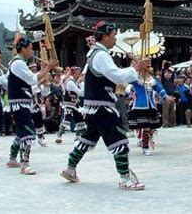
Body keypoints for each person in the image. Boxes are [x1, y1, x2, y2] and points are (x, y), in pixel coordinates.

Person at [60, 22, 149, 190]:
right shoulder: (101, 55)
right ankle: (125, 179)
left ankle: (70, 169)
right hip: (102, 106)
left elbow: (113, 74)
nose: (115, 38)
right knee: (119, 140)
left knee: (87, 139)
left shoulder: (96, 54)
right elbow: (116, 76)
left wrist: (133, 69)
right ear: (105, 36)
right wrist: (134, 68)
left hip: (94, 106)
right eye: (114, 35)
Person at [6, 37, 57, 175]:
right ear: (22, 48)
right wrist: (47, 68)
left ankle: (12, 158)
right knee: (28, 131)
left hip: (23, 102)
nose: (31, 51)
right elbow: (32, 79)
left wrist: (44, 75)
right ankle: (25, 164)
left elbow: (32, 82)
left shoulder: (19, 63)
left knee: (21, 131)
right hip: (19, 103)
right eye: (29, 48)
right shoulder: (18, 63)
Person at [128, 70, 174, 156]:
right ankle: (145, 147)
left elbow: (159, 88)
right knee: (146, 127)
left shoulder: (152, 80)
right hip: (140, 106)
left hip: (151, 106)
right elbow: (126, 83)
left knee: (152, 129)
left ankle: (145, 142)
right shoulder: (135, 78)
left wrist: (166, 96)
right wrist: (130, 93)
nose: (149, 69)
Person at [56, 67, 86, 143]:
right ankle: (59, 135)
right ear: (73, 74)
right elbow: (80, 93)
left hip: (76, 103)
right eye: (77, 74)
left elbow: (83, 90)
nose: (78, 75)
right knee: (67, 119)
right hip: (68, 103)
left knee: (80, 120)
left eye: (79, 74)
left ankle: (77, 137)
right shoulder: (70, 82)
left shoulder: (79, 82)